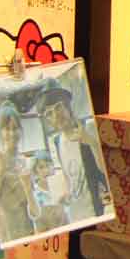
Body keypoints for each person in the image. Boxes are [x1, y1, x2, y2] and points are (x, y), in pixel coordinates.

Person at [37, 86, 107, 224]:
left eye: (58, 107)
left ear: (68, 107)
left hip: (99, 210)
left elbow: (107, 170)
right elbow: (70, 179)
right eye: (49, 113)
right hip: (78, 214)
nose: (56, 115)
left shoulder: (90, 127)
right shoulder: (57, 142)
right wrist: (66, 194)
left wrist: (91, 142)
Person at [0, 105, 35, 246]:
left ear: (20, 131)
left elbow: (30, 205)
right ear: (0, 131)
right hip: (5, 232)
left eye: (15, 128)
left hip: (26, 229)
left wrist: (29, 188)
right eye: (7, 129)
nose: (12, 133)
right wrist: (2, 168)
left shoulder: (23, 161)